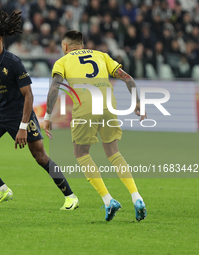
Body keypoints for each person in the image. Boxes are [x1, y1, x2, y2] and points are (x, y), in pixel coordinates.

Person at [0, 6, 79, 210]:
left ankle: (70, 196)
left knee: (40, 156)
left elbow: (29, 95)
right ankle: (2, 190)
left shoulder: (13, 62)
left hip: (20, 114)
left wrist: (23, 127)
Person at [43, 30, 147, 221]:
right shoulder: (101, 55)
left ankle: (108, 201)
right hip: (108, 104)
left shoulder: (62, 61)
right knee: (114, 153)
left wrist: (48, 115)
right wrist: (137, 102)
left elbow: (55, 87)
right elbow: (128, 78)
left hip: (85, 107)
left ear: (65, 46)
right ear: (81, 44)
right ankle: (136, 196)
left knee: (81, 153)